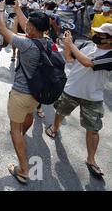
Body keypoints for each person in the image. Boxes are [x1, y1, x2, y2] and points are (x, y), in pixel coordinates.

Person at [46, 25, 112, 178]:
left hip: (93, 97)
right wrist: (68, 44)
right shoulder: (87, 45)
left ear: (110, 39)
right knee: (60, 111)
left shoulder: (110, 55)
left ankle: (91, 159)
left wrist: (70, 44)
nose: (96, 35)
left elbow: (88, 63)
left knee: (93, 129)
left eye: (101, 34)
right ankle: (55, 127)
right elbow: (69, 59)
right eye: (96, 32)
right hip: (72, 89)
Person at [0, 0, 51, 185]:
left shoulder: (26, 44)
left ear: (33, 29)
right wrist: (18, 7)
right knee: (29, 116)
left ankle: (23, 169)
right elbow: (26, 22)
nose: (26, 25)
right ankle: (22, 136)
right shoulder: (47, 41)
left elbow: (3, 30)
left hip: (20, 94)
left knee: (14, 130)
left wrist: (0, 11)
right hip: (36, 94)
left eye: (28, 25)